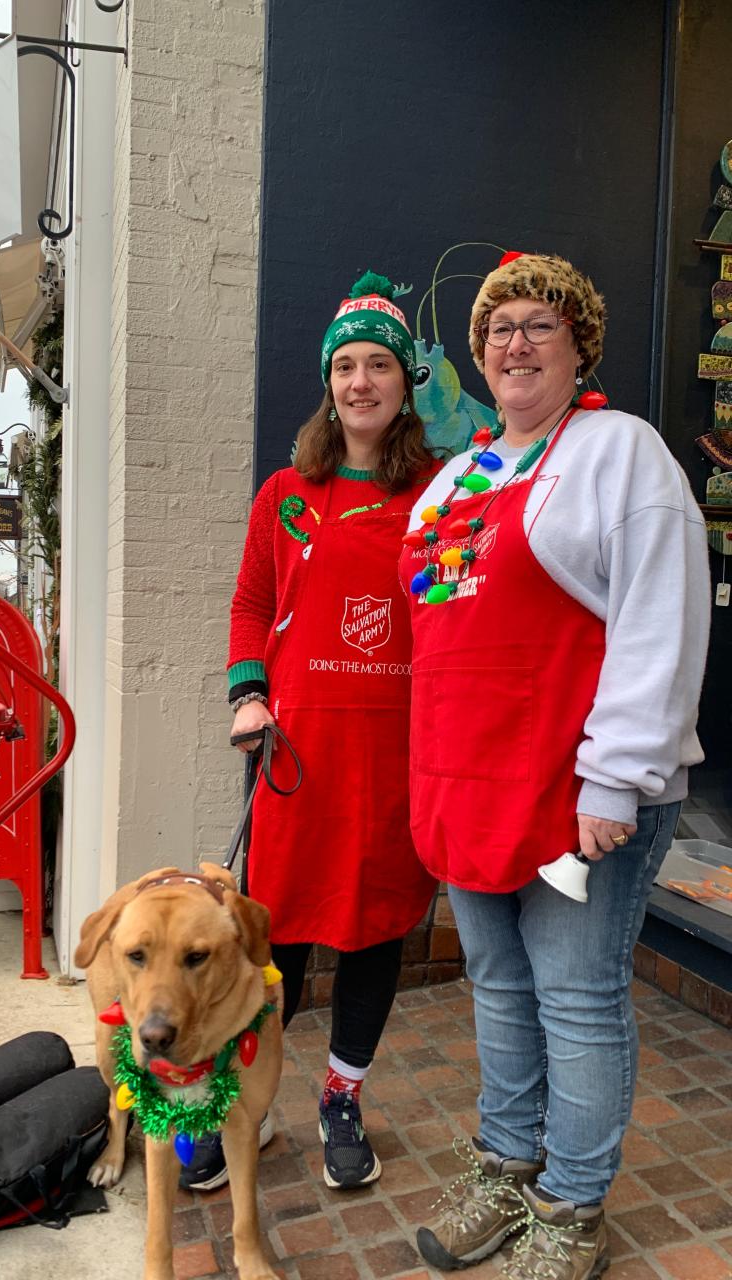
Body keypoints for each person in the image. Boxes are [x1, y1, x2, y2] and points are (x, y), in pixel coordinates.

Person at [400, 252, 710, 1280]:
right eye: (498, 329)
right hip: (470, 785)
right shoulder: (457, 476)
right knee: (496, 982)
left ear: (581, 343)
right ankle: (506, 1161)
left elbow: (659, 624)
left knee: (575, 995)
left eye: (540, 323)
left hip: (578, 794)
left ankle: (572, 1204)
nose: (515, 342)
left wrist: (616, 776)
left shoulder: (623, 455)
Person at [178, 271, 439, 1194]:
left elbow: (455, 616)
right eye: (346, 366)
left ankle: (341, 1097)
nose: (360, 382)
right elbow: (251, 605)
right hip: (297, 760)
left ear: (406, 383)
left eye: (378, 365)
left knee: (371, 935)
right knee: (271, 942)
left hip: (392, 761)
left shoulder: (440, 494)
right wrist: (249, 697)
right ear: (328, 383)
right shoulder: (287, 494)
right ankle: (237, 1109)